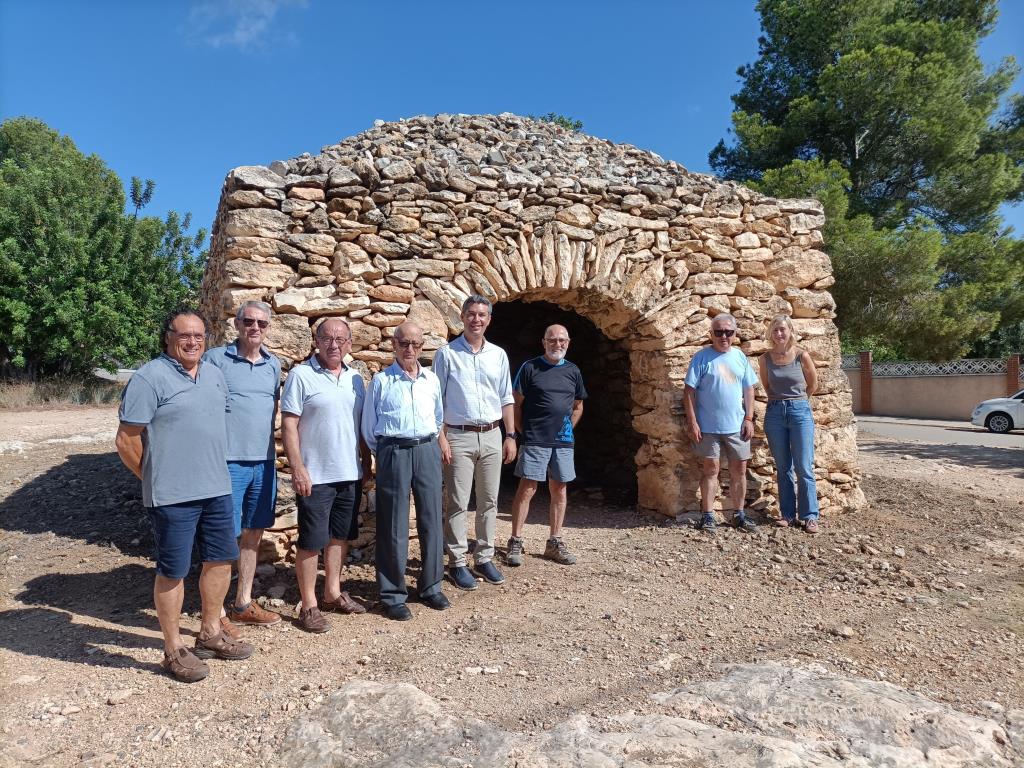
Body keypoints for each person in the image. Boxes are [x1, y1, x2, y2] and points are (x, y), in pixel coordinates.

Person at [116, 309, 253, 683]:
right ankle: (174, 648)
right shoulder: (149, 378)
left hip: (216, 488)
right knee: (172, 570)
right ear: (168, 338)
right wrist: (155, 477)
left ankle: (210, 632)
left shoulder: (213, 375)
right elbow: (126, 439)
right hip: (172, 495)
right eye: (184, 335)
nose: (192, 341)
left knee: (221, 561)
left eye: (199, 335)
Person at [280, 318, 370, 633]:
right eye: (327, 338)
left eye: (340, 339)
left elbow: (359, 427)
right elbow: (289, 424)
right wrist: (298, 468)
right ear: (316, 341)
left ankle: (332, 592)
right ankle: (309, 605)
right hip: (315, 475)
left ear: (349, 343)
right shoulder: (301, 375)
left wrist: (366, 462)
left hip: (349, 473)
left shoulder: (356, 379)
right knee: (310, 541)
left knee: (339, 537)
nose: (334, 344)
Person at [361, 321, 449, 621]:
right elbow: (369, 428)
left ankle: (431, 586)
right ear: (394, 346)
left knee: (431, 520)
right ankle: (393, 594)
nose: (409, 349)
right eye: (403, 343)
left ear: (422, 346)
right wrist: (386, 454)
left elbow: (438, 418)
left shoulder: (431, 380)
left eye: (415, 344)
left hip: (426, 449)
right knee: (393, 525)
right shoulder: (382, 381)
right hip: (394, 451)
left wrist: (433, 444)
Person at [203, 301, 282, 628]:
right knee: (222, 536)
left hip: (263, 464)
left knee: (253, 534)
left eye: (261, 323)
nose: (255, 328)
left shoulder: (273, 365)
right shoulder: (215, 360)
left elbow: (273, 408)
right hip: (227, 463)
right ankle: (216, 612)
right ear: (237, 324)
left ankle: (243, 602)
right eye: (249, 321)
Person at [433, 296, 517, 591]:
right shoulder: (447, 354)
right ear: (462, 317)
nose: (476, 320)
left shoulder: (498, 355)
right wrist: (441, 437)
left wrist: (510, 435)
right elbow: (437, 400)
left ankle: (483, 557)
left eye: (482, 315)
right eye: (471, 314)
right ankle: (456, 561)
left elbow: (506, 397)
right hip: (458, 434)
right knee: (457, 501)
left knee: (489, 500)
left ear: (489, 319)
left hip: (493, 434)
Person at [506, 324, 587, 567]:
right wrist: (522, 432)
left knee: (559, 489)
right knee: (527, 488)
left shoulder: (573, 371)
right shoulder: (530, 368)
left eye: (562, 340)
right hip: (535, 439)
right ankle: (516, 541)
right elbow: (515, 403)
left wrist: (568, 428)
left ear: (568, 342)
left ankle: (555, 541)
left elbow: (578, 405)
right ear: (543, 342)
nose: (557, 344)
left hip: (562, 442)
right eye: (552, 340)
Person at [683, 312, 759, 533]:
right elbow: (689, 391)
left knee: (739, 469)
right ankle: (708, 516)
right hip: (707, 427)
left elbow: (749, 389)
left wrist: (749, 418)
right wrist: (692, 422)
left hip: (737, 425)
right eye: (719, 332)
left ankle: (739, 514)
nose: (723, 336)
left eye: (728, 332)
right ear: (711, 334)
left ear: (735, 334)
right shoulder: (701, 357)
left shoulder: (740, 357)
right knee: (710, 470)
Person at [758, 314, 820, 533]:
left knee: (804, 466)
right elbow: (767, 386)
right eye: (775, 330)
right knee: (783, 467)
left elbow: (813, 384)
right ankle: (787, 514)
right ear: (771, 334)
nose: (779, 334)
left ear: (791, 331)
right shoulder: (765, 359)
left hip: (799, 411)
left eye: (783, 329)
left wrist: (798, 401)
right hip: (775, 412)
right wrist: (780, 401)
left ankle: (810, 516)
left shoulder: (802, 356)